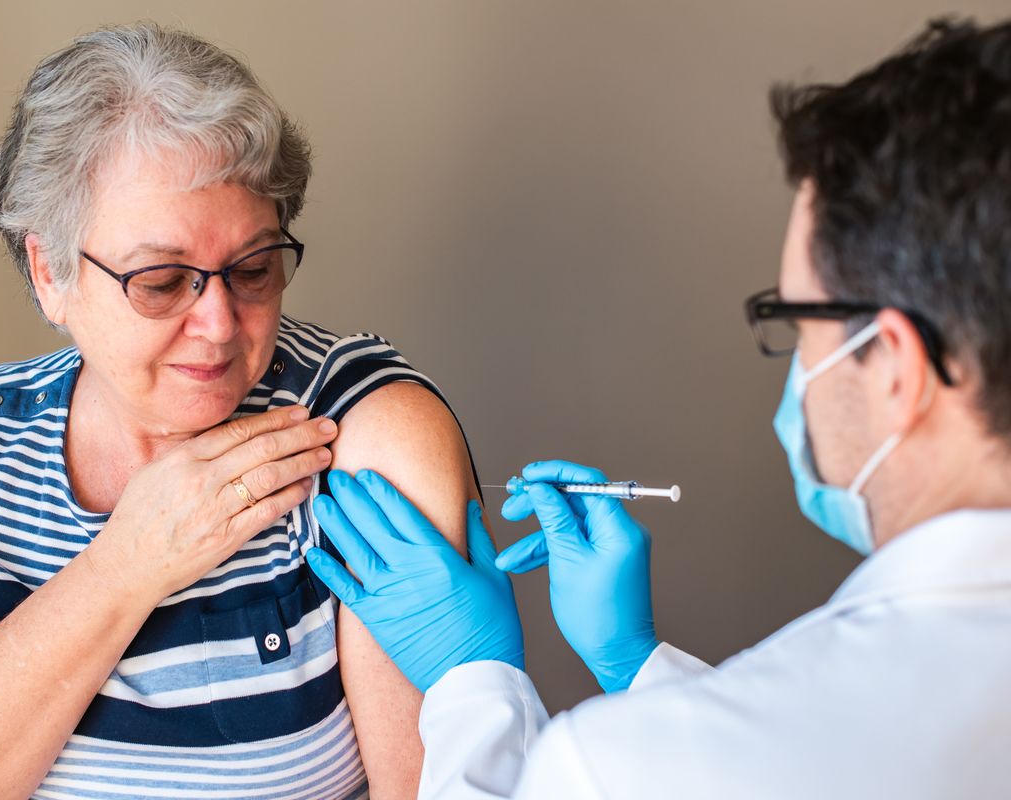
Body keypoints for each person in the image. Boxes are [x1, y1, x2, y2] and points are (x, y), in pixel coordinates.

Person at [305, 18, 1011, 799]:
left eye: (798, 324)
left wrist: (472, 681)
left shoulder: (621, 765)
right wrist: (636, 663)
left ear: (896, 371)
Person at [0, 23, 480, 800]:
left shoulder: (361, 433)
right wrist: (128, 564)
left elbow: (433, 788)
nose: (217, 323)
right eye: (161, 279)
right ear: (51, 272)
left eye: (253, 268)